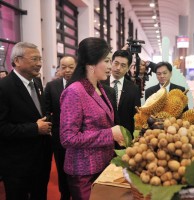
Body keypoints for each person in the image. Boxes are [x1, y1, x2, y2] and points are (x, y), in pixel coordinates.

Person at [59, 37, 124, 200]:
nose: (111, 67)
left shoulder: (99, 87)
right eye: (107, 61)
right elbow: (68, 138)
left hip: (103, 166)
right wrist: (110, 134)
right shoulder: (75, 92)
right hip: (84, 173)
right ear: (91, 63)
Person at [0, 42, 52, 200]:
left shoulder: (37, 83)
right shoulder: (4, 87)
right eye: (34, 59)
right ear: (17, 60)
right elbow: (2, 128)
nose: (39, 64)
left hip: (41, 158)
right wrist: (34, 129)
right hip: (17, 163)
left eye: (40, 59)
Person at [44, 55, 77, 200]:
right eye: (63, 67)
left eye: (71, 67)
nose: (67, 70)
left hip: (79, 136)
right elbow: (46, 109)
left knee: (77, 169)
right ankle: (64, 194)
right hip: (59, 137)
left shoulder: (83, 85)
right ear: (59, 68)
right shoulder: (52, 86)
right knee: (62, 168)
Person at [103, 50, 141, 134]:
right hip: (104, 133)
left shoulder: (134, 89)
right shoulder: (100, 84)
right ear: (111, 62)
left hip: (125, 135)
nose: (118, 68)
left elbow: (136, 115)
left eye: (123, 65)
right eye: (116, 63)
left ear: (128, 68)